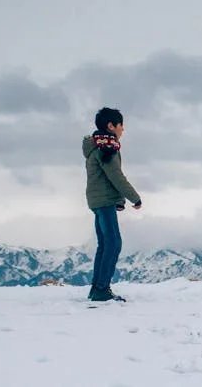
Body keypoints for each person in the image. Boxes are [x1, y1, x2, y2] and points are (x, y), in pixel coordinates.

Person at [82, 107, 142, 302]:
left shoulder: (97, 145)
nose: (123, 129)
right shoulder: (107, 148)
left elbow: (105, 177)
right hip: (104, 201)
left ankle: (96, 289)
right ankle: (101, 289)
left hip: (97, 201)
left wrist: (119, 200)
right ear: (111, 126)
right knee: (114, 243)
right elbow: (115, 176)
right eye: (121, 125)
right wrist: (134, 198)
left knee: (105, 244)